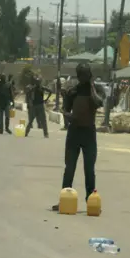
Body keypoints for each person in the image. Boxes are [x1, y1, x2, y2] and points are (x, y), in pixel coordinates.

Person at [52, 63, 103, 211]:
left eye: (87, 75)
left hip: (89, 132)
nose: (84, 78)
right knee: (70, 167)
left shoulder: (96, 90)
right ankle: (64, 199)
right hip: (74, 131)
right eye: (82, 75)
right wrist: (70, 116)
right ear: (78, 76)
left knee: (89, 169)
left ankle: (91, 201)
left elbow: (98, 103)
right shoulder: (73, 91)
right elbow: (65, 110)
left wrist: (92, 86)